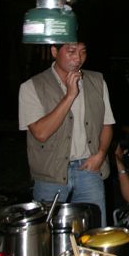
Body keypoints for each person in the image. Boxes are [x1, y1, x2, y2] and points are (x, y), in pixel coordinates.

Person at [18, 41, 115, 226]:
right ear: (54, 51)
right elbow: (40, 133)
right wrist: (70, 95)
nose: (78, 58)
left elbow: (107, 123)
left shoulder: (97, 81)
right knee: (47, 233)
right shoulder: (32, 86)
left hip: (89, 169)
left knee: (94, 231)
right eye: (71, 51)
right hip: (50, 174)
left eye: (82, 52)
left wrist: (101, 154)